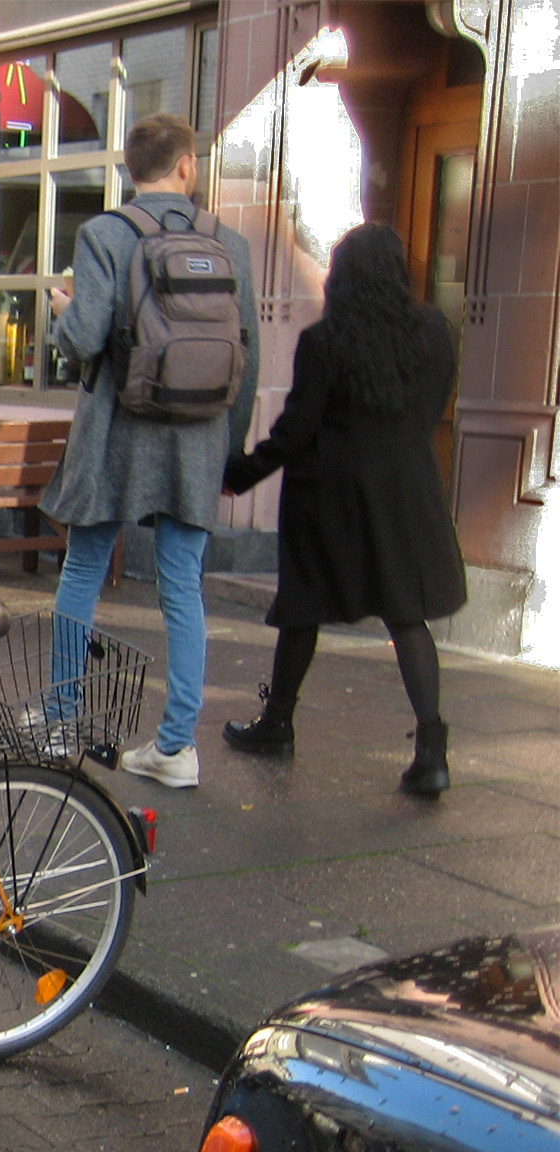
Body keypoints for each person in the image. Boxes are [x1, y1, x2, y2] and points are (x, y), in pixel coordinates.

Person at [43, 114, 259, 789]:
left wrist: (59, 310)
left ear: (129, 169)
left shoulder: (104, 234)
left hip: (115, 431)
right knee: (181, 588)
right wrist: (232, 451)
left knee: (83, 570)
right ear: (187, 167)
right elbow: (245, 358)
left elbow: (81, 340)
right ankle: (175, 746)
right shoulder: (231, 245)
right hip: (197, 440)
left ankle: (63, 718)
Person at [219, 222, 465, 796]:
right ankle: (432, 749)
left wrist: (243, 471)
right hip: (407, 491)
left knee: (303, 607)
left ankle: (278, 722)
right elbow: (433, 405)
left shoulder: (327, 341)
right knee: (407, 615)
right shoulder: (436, 330)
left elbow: (298, 428)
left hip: (329, 495)